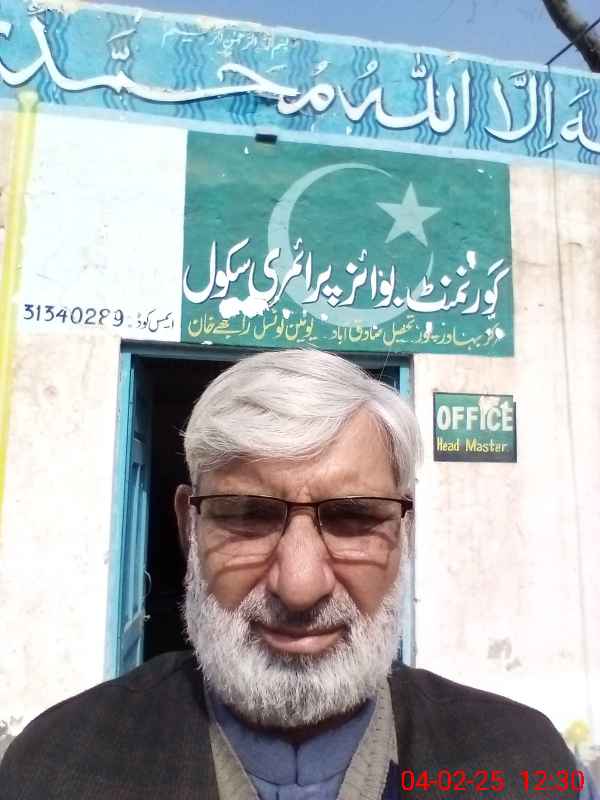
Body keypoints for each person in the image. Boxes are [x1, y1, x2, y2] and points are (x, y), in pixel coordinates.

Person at [0, 349, 586, 799]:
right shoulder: (53, 769)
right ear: (188, 528)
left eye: (354, 518)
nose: (300, 586)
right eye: (247, 515)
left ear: (404, 533)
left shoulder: (524, 767)